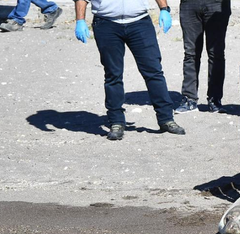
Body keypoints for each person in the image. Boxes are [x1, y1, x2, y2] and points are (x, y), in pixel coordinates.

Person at [74, 0, 185, 140]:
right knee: (113, 74)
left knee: (154, 71)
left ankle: (166, 119)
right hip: (106, 24)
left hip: (139, 23)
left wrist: (164, 9)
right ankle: (116, 122)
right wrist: (80, 20)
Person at [174, 0, 231, 114]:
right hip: (189, 4)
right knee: (191, 53)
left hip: (216, 4)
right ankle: (189, 99)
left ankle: (215, 100)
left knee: (216, 54)